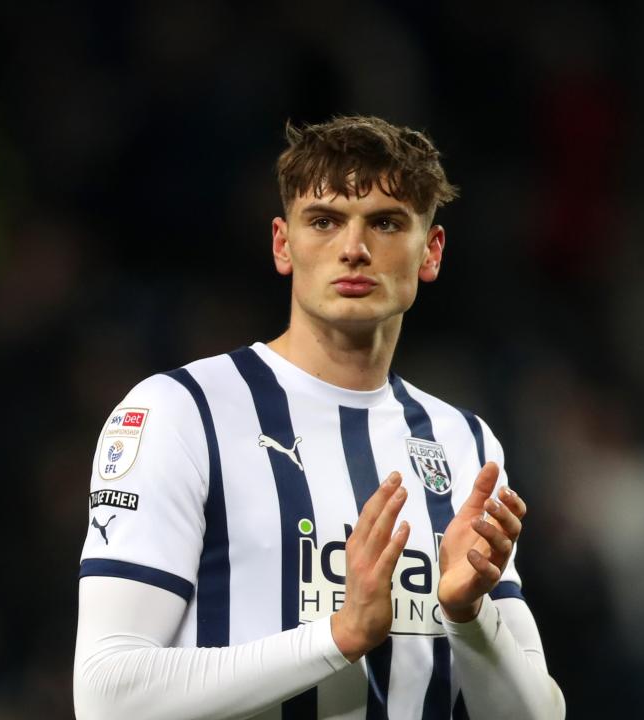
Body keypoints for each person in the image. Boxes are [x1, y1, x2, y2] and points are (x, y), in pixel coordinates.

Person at [73, 116, 566, 719]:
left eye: (386, 222)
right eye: (325, 221)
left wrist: (469, 615)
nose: (354, 248)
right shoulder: (181, 412)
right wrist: (337, 638)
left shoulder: (463, 443)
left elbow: (535, 716)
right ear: (283, 244)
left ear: (430, 251)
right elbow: (106, 695)